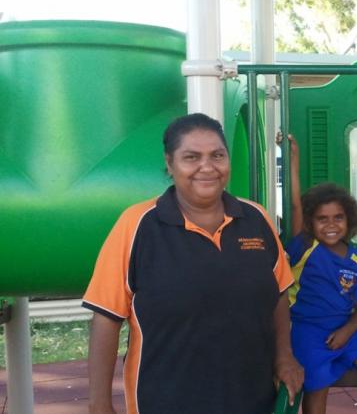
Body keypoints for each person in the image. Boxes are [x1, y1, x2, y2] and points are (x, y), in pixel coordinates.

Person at [83, 113, 304, 414]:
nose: (207, 167)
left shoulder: (256, 218)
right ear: (170, 164)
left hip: (252, 396)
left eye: (217, 155)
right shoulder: (137, 225)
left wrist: (284, 356)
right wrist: (99, 404)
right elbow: (106, 317)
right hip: (166, 399)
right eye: (191, 157)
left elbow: (279, 292)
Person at [282, 134, 357, 414]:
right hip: (307, 328)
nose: (331, 225)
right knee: (316, 381)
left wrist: (347, 330)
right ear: (310, 222)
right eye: (322, 219)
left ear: (349, 220)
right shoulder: (306, 245)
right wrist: (293, 161)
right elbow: (294, 207)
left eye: (338, 218)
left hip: (344, 327)